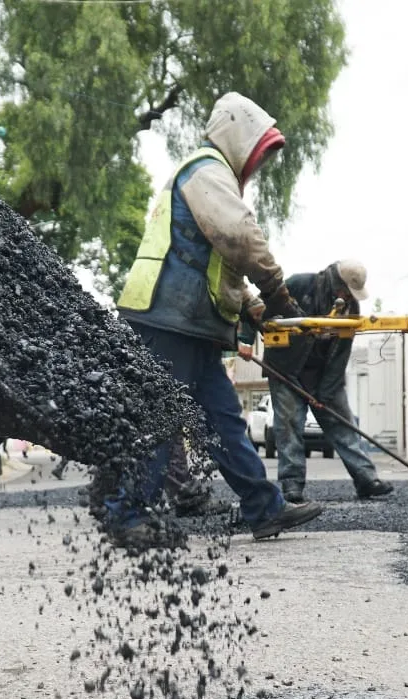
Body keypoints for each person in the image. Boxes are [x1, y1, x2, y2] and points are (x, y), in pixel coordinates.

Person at [108, 92, 323, 549]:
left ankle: (264, 509)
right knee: (160, 417)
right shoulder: (205, 169)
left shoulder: (210, 177)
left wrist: (253, 305)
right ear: (241, 137)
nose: (260, 165)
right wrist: (276, 289)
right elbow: (240, 236)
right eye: (260, 151)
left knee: (223, 421)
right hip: (166, 318)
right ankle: (127, 517)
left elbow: (215, 261)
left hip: (191, 323)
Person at [238, 260, 394, 504]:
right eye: (345, 291)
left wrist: (326, 393)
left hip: (323, 374)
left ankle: (366, 479)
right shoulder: (298, 285)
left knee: (344, 425)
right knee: (289, 427)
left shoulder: (350, 309)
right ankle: (292, 486)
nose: (347, 297)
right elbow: (256, 308)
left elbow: (341, 353)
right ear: (336, 283)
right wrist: (245, 339)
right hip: (287, 369)